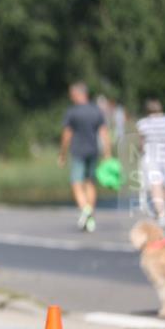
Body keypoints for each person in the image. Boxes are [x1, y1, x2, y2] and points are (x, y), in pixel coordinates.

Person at [59, 82, 111, 233]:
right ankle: (90, 217)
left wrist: (62, 153)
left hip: (78, 152)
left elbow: (67, 134)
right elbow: (104, 133)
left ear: (77, 94)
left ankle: (85, 210)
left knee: (76, 183)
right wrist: (107, 154)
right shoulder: (96, 111)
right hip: (93, 151)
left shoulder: (72, 112)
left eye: (71, 94)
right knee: (90, 183)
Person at [135, 99, 165, 227]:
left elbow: (141, 144)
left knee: (155, 185)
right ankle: (162, 210)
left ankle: (161, 213)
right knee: (164, 185)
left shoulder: (142, 123)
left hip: (150, 158)